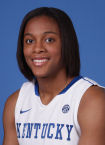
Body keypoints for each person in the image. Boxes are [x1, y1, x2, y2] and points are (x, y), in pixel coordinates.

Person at [3, 7, 105, 145]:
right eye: (29, 41)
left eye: (49, 40)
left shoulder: (93, 101)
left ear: (66, 44)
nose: (37, 48)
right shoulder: (15, 103)